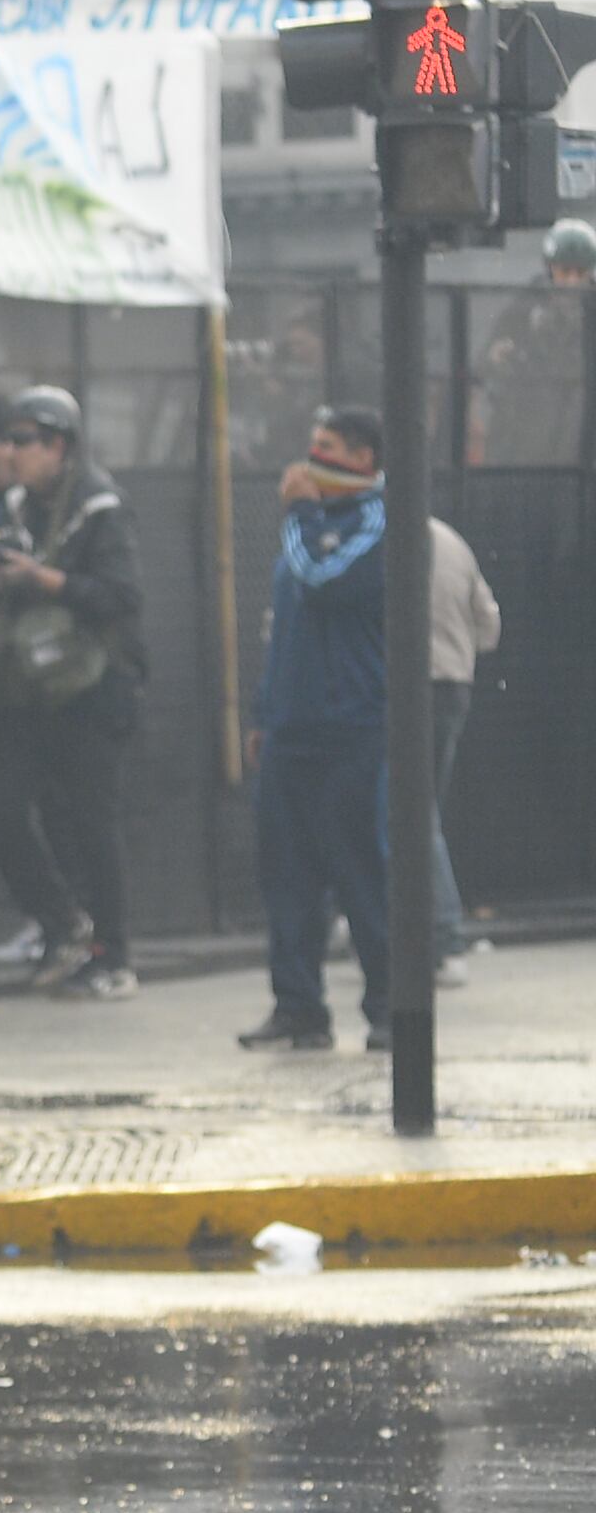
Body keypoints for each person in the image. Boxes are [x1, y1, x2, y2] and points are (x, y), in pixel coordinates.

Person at [0, 388, 146, 1001]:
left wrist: (44, 579)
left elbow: (121, 596)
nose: (10, 454)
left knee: (92, 820)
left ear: (59, 446)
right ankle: (63, 923)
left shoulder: (100, 507)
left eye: (24, 441)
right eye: (5, 440)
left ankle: (112, 954)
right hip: (30, 687)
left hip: (94, 685)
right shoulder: (15, 504)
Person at [244, 407, 397, 1054]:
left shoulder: (378, 522)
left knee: (361, 875)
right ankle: (298, 1007)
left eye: (327, 448)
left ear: (362, 459)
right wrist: (264, 711)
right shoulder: (305, 531)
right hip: (291, 731)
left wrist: (299, 515)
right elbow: (285, 625)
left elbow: (324, 584)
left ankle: (391, 1011)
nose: (310, 461)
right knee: (288, 879)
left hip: (351, 731)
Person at [418, 505, 500, 980]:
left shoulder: (379, 538)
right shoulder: (451, 540)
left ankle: (445, 937)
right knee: (420, 807)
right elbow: (488, 623)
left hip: (409, 682)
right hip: (453, 681)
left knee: (412, 812)